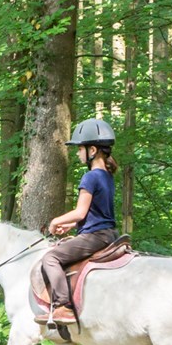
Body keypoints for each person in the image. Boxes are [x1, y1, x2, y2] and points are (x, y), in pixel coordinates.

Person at [37, 117, 120, 325]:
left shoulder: (90, 177)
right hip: (108, 234)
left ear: (92, 150)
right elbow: (96, 214)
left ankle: (63, 307)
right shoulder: (107, 176)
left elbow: (81, 212)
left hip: (96, 237)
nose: (77, 153)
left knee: (51, 258)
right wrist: (71, 225)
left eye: (79, 149)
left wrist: (56, 221)